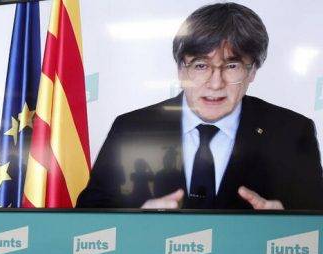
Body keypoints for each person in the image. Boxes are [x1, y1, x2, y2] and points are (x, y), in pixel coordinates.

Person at [76, 2, 323, 210]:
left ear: (252, 71)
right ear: (180, 69)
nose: (215, 84)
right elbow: (90, 215)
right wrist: (134, 221)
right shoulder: (131, 128)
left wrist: (291, 222)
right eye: (201, 66)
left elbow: (316, 222)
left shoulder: (292, 132)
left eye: (232, 66)